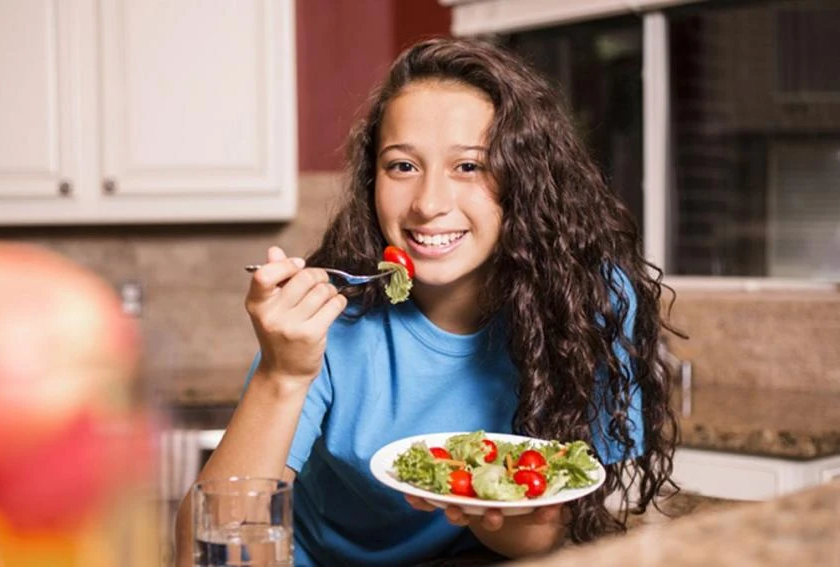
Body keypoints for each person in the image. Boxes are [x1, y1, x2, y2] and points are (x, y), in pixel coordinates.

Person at [176, 36, 680, 566]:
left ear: (527, 181)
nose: (429, 205)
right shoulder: (327, 316)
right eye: (402, 166)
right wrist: (282, 375)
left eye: (469, 167)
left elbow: (539, 538)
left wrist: (481, 507)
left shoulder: (587, 303)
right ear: (372, 179)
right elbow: (201, 557)